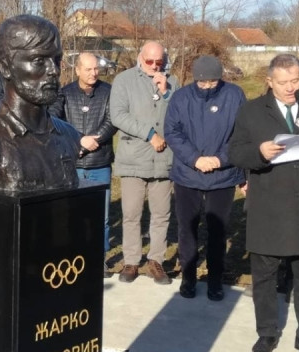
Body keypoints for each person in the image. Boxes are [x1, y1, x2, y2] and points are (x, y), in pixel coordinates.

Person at [228, 53, 299, 352]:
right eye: (283, 82)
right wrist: (259, 152)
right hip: (270, 207)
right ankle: (267, 333)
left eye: (296, 80)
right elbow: (235, 152)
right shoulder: (251, 111)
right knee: (265, 276)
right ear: (269, 82)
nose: (290, 88)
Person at [0, 16, 81, 194]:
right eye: (38, 61)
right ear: (5, 68)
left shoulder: (69, 135)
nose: (54, 71)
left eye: (56, 60)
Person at [164, 55, 246, 301]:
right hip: (188, 175)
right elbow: (172, 131)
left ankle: (215, 280)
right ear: (194, 78)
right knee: (187, 229)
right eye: (202, 82)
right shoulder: (181, 97)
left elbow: (242, 133)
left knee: (217, 231)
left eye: (212, 82)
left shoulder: (234, 95)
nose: (207, 86)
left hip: (222, 176)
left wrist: (220, 159)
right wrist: (195, 159)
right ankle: (188, 278)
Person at [108, 41, 175, 285]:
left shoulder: (172, 82)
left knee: (161, 214)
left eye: (160, 62)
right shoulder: (124, 80)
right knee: (131, 214)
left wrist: (166, 92)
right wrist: (149, 134)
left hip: (163, 160)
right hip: (134, 157)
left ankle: (155, 261)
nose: (155, 66)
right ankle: (131, 261)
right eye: (150, 61)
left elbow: (177, 115)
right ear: (140, 58)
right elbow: (118, 115)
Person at [50, 51, 116, 272]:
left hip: (100, 162)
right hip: (73, 165)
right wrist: (78, 141)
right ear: (77, 70)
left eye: (96, 68)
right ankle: (72, 256)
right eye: (88, 69)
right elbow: (54, 120)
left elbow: (112, 119)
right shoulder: (64, 93)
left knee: (102, 217)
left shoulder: (108, 91)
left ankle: (99, 258)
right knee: (71, 216)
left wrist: (95, 139)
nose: (93, 73)